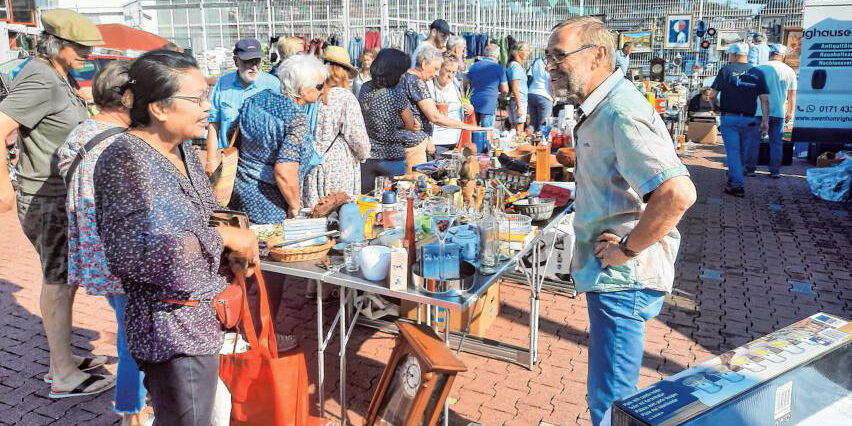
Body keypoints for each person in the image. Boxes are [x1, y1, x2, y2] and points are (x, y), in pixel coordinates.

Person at [93, 49, 259, 425]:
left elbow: (201, 216)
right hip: (171, 329)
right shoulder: (125, 161)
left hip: (200, 320)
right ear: (160, 108)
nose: (207, 107)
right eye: (197, 98)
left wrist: (229, 249)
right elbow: (135, 253)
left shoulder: (182, 149)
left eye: (208, 95)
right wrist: (224, 240)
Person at [546, 17, 696, 426]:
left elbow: (677, 193)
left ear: (598, 55)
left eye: (559, 55)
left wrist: (626, 249)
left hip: (623, 280)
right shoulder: (601, 108)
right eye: (548, 57)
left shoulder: (618, 111)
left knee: (611, 403)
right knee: (611, 396)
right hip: (616, 278)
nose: (550, 65)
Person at [0, 9, 116, 399]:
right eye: (80, 47)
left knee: (64, 280)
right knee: (58, 281)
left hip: (56, 195)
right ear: (57, 45)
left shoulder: (55, 75)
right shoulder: (40, 77)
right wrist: (2, 185)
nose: (87, 53)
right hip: (45, 197)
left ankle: (59, 361)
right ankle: (64, 374)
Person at [57, 60, 151, 425]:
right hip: (121, 253)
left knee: (129, 328)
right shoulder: (121, 145)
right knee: (134, 336)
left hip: (97, 253)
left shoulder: (81, 133)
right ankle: (132, 411)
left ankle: (136, 406)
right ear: (127, 97)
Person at [303, 46, 370, 207]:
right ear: (343, 73)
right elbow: (358, 138)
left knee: (315, 214)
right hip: (339, 166)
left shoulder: (309, 95)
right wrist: (364, 154)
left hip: (312, 163)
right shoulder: (345, 97)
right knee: (338, 215)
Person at [205, 38, 280, 175]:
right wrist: (211, 161)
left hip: (262, 165)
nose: (253, 66)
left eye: (257, 61)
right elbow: (214, 123)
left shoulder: (273, 85)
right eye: (247, 61)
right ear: (236, 61)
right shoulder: (222, 84)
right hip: (228, 159)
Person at [400, 45, 482, 168]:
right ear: (424, 64)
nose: (437, 73)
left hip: (446, 139)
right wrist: (468, 126)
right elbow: (435, 117)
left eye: (454, 72)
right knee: (419, 180)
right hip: (418, 143)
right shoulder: (417, 82)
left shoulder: (456, 83)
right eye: (436, 68)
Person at [358, 48, 424, 193]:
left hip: (368, 157)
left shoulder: (364, 88)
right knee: (392, 203)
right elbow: (410, 124)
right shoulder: (396, 94)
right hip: (392, 158)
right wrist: (414, 127)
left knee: (368, 203)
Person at [710, 42, 769, 196]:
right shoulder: (758, 73)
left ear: (734, 54)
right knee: (742, 151)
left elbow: (712, 95)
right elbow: (764, 100)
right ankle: (734, 175)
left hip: (729, 118)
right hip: (749, 119)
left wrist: (715, 106)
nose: (728, 57)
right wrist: (765, 120)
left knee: (733, 152)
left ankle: (736, 184)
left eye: (729, 54)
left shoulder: (726, 71)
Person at [750, 44, 797, 178]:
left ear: (770, 54)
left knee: (754, 141)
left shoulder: (758, 68)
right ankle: (775, 171)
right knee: (776, 143)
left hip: (758, 112)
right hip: (778, 113)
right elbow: (792, 95)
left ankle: (750, 169)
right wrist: (790, 112)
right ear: (783, 56)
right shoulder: (789, 71)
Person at [426, 56, 473, 152]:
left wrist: (469, 107)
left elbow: (462, 102)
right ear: (439, 69)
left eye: (454, 72)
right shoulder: (429, 86)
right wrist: (428, 139)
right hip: (437, 141)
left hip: (455, 139)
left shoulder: (455, 83)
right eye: (447, 71)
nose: (450, 75)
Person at [467, 44, 509, 128]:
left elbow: (467, 84)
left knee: (473, 130)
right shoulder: (499, 68)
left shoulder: (473, 66)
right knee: (487, 133)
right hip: (489, 104)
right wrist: (501, 96)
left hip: (473, 103)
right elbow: (505, 90)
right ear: (497, 55)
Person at [506, 41, 530, 133]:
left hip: (516, 100)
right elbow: (515, 87)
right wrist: (519, 106)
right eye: (526, 50)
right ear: (518, 52)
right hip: (518, 100)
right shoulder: (515, 66)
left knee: (514, 129)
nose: (528, 52)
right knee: (519, 129)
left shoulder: (515, 66)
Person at [527, 56, 553, 132]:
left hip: (531, 93)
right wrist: (554, 97)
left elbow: (529, 75)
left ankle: (527, 136)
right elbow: (552, 82)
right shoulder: (551, 64)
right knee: (544, 124)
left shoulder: (536, 61)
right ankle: (542, 141)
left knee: (532, 123)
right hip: (545, 95)